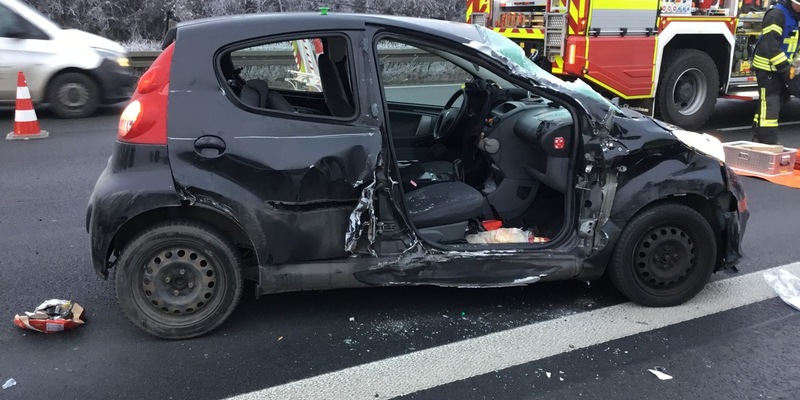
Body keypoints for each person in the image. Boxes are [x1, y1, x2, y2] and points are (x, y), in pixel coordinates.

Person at [751, 0, 800, 145]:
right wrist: (786, 69)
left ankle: (758, 135)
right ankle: (769, 142)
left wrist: (795, 66)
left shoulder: (796, 16)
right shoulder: (776, 14)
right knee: (770, 104)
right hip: (767, 67)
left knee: (776, 102)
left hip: (784, 68)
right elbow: (769, 44)